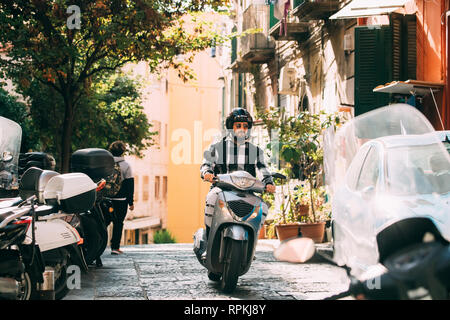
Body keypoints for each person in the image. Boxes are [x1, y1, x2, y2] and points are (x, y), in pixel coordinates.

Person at [200, 108, 276, 242]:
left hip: (248, 192)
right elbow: (207, 163)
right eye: (238, 126)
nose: (242, 129)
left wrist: (268, 182)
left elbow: (263, 169)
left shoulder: (255, 150)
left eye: (245, 126)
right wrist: (207, 172)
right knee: (211, 198)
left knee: (262, 207)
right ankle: (208, 238)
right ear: (231, 127)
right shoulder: (217, 147)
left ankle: (253, 241)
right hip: (221, 189)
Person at [108, 141, 135, 255]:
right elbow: (129, 185)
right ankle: (115, 247)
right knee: (118, 223)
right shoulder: (126, 166)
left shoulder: (106, 164)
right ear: (123, 151)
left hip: (106, 199)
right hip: (121, 200)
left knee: (104, 222)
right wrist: (130, 202)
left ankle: (98, 245)